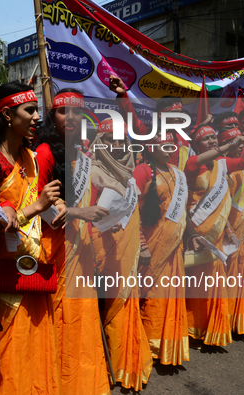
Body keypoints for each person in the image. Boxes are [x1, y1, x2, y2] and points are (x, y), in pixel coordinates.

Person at [0, 82, 62, 394]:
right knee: (11, 350)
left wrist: (54, 207)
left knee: (37, 346)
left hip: (33, 263)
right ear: (9, 115)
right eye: (30, 110)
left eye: (37, 109)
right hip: (5, 274)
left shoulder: (31, 157)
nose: (38, 117)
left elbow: (38, 203)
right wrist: (35, 207)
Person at [35, 89, 111, 395]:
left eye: (77, 112)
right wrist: (82, 211)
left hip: (78, 245)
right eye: (64, 111)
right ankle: (59, 382)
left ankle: (81, 381)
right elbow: (37, 205)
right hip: (54, 247)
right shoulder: (44, 152)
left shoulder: (81, 151)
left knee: (79, 316)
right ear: (53, 115)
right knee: (60, 317)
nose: (72, 118)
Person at [88, 118, 153, 391]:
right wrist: (98, 231)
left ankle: (125, 362)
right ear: (99, 142)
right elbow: (85, 214)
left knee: (124, 305)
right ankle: (104, 363)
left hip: (126, 250)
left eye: (120, 140)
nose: (115, 145)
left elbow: (133, 213)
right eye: (109, 139)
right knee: (102, 308)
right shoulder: (91, 171)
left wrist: (140, 240)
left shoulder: (130, 174)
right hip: (98, 250)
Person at [134, 131, 196, 365]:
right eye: (164, 145)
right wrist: (141, 244)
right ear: (151, 147)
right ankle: (146, 343)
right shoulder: (142, 171)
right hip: (151, 244)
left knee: (169, 294)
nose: (170, 149)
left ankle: (167, 345)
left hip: (173, 247)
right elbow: (133, 211)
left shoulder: (178, 174)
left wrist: (193, 235)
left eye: (172, 145)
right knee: (150, 294)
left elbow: (184, 212)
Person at [217, 126, 244, 337]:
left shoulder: (241, 169)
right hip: (229, 235)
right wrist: (227, 229)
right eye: (236, 144)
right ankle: (223, 322)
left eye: (243, 145)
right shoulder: (225, 171)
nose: (242, 148)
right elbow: (221, 205)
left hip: (242, 235)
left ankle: (236, 321)